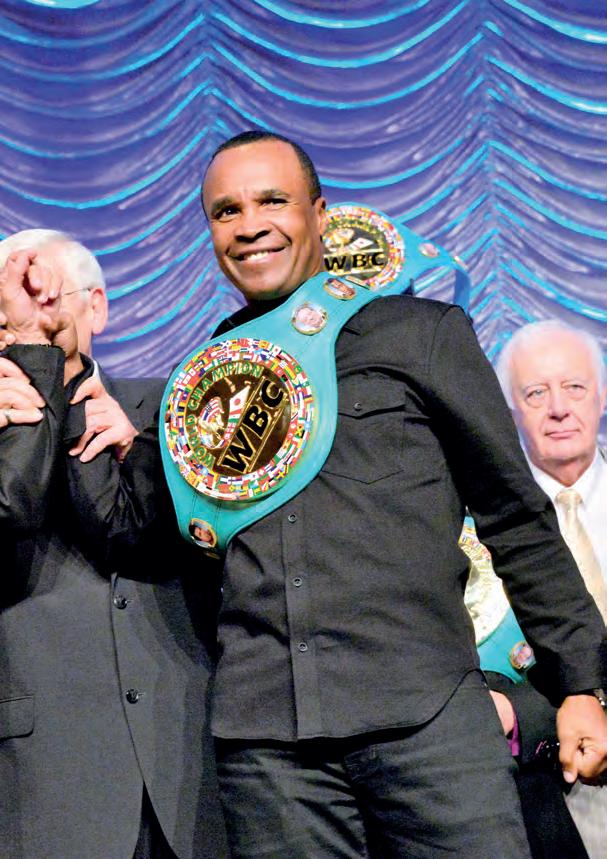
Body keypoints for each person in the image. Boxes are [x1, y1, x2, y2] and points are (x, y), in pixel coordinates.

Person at [49, 131, 607, 858]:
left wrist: (580, 684)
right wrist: (64, 370)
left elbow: (515, 519)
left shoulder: (420, 334)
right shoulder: (200, 380)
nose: (250, 225)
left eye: (271, 201)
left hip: (430, 727)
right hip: (270, 758)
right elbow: (132, 531)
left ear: (319, 214)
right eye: (226, 211)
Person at [0, 231, 227, 859]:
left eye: (47, 302)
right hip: (45, 773)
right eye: (8, 313)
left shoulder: (176, 409)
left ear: (96, 307)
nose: (29, 324)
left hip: (191, 758)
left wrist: (147, 460)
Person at [486, 319, 607, 859]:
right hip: (546, 787)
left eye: (574, 387)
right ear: (509, 410)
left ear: (602, 395)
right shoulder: (471, 530)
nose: (558, 408)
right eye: (536, 393)